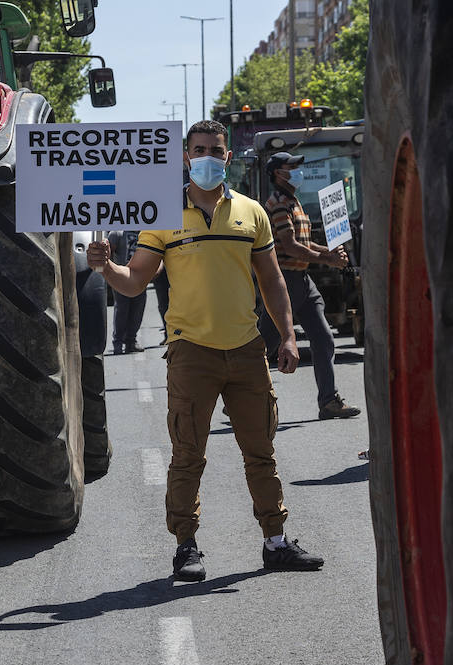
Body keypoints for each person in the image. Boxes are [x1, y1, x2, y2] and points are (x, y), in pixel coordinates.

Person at [87, 120, 324, 582]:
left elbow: (272, 279)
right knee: (188, 454)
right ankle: (186, 547)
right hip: (191, 352)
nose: (207, 158)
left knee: (261, 452)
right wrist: (107, 267)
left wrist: (288, 335)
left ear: (228, 157)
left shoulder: (252, 213)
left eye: (215, 150)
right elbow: (135, 281)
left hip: (247, 350)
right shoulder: (162, 215)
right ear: (185, 156)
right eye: (198, 150)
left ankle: (275, 542)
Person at [263, 151, 362, 420]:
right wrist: (327, 258)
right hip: (284, 281)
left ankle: (329, 400)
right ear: (278, 173)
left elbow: (304, 244)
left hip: (302, 281)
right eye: (291, 167)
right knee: (265, 343)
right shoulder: (278, 204)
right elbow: (290, 246)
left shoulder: (293, 202)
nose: (298, 171)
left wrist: (329, 251)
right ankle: (240, 393)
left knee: (323, 338)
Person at [110, 230, 147, 354]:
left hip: (140, 277)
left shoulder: (145, 232)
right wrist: (111, 273)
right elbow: (108, 253)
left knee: (137, 311)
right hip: (121, 278)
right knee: (122, 310)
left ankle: (131, 341)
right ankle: (118, 343)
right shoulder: (117, 233)